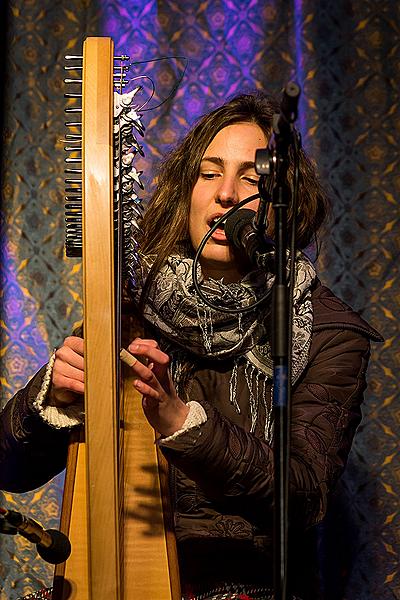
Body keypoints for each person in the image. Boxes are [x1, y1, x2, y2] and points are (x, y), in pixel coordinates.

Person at [0, 93, 382, 600]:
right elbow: (10, 470)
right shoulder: (126, 313)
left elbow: (304, 495)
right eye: (209, 173)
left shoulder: (328, 332)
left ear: (288, 202)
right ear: (187, 192)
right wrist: (51, 400)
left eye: (251, 178)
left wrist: (185, 424)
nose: (226, 194)